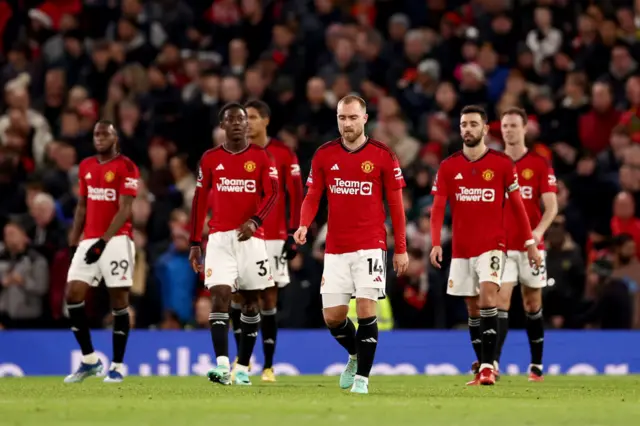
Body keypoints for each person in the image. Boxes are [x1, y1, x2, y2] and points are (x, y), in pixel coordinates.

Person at [294, 95, 409, 394]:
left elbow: (396, 206)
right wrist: (304, 224)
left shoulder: (383, 155)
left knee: (366, 310)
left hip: (371, 245)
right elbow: (312, 195)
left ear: (365, 119)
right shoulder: (324, 154)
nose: (347, 123)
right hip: (336, 247)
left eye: (353, 118)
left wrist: (401, 248)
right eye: (342, 118)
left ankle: (363, 380)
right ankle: (355, 355)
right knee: (333, 317)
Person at [429, 105, 542, 386]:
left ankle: (490, 366)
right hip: (462, 249)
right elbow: (437, 208)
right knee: (472, 309)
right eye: (463, 124)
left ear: (484, 129)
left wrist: (529, 242)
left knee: (488, 299)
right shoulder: (448, 166)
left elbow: (517, 207)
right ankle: (483, 364)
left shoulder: (502, 164)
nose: (467, 129)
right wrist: (435, 243)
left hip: (493, 246)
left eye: (473, 124)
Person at [188, 102, 278, 386]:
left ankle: (242, 366)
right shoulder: (211, 158)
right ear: (223, 125)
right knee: (220, 295)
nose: (239, 123)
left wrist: (255, 221)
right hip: (219, 238)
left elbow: (272, 193)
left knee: (251, 302)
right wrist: (194, 242)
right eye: (232, 120)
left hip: (252, 239)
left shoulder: (262, 157)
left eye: (243, 119)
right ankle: (223, 366)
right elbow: (200, 200)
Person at [227, 100, 303, 382]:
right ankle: (240, 359)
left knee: (268, 297)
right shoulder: (235, 150)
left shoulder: (283, 153)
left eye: (254, 117)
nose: (248, 122)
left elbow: (295, 194)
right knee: (238, 295)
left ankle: (268, 366)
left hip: (272, 236)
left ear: (266, 120)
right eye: (245, 117)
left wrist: (295, 232)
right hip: (241, 234)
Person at [64, 120, 140, 383]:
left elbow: (125, 208)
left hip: (117, 240)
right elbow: (82, 206)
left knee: (118, 300)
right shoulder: (85, 166)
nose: (99, 138)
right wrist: (75, 240)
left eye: (104, 134)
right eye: (96, 134)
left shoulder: (126, 166)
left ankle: (117, 366)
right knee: (72, 295)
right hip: (90, 238)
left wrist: (103, 241)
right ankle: (89, 360)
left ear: (115, 137)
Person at [494, 107, 558, 382]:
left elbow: (551, 206)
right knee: (501, 299)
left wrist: (539, 232)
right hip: (503, 246)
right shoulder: (493, 163)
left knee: (532, 303)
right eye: (505, 126)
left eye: (513, 126)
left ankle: (536, 366)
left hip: (531, 247)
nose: (508, 130)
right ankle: (492, 364)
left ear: (525, 128)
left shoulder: (539, 164)